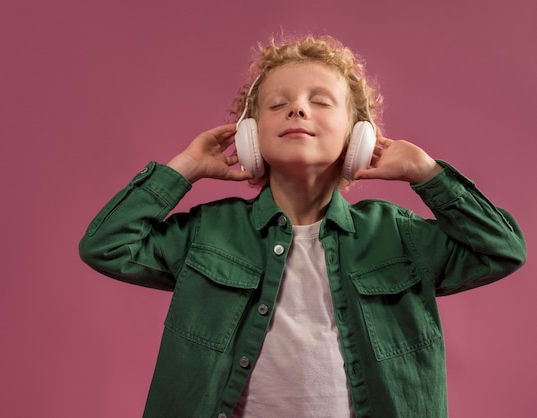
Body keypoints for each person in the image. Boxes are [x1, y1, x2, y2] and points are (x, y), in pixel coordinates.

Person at [79, 34, 526, 418]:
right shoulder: (208, 232)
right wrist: (185, 168)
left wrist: (428, 174)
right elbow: (106, 244)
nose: (297, 110)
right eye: (278, 103)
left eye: (319, 101)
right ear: (249, 138)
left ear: (358, 137)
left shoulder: (398, 236)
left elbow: (502, 249)